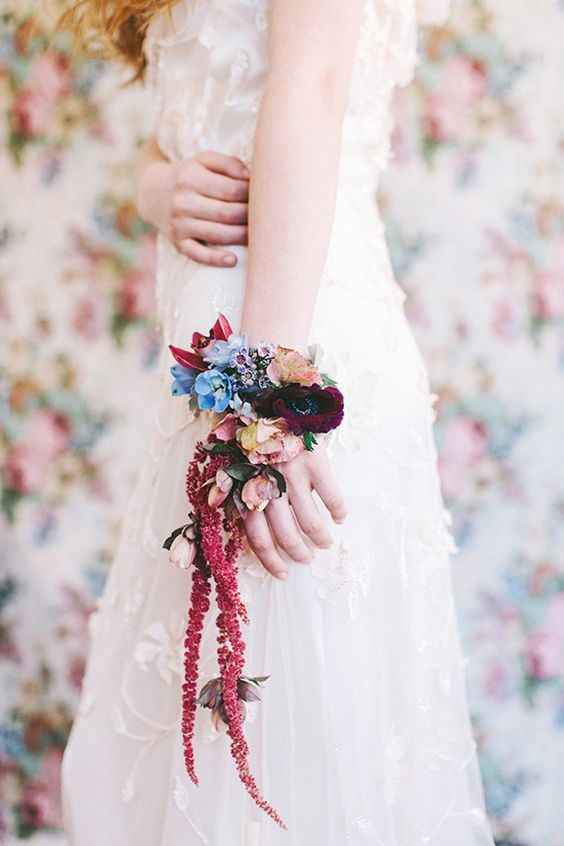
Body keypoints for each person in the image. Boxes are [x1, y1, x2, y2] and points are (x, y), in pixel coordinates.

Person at [60, 0, 495, 843]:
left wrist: (270, 398)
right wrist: (157, 185)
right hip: (215, 357)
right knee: (198, 709)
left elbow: (311, 93)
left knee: (292, 700)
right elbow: (191, 118)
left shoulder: (268, 386)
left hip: (285, 342)